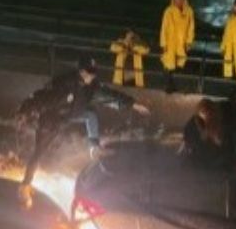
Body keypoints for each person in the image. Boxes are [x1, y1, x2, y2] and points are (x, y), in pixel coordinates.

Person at [20, 57, 148, 193]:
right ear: (81, 72)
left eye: (93, 73)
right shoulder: (64, 83)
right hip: (52, 119)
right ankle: (26, 183)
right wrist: (27, 111)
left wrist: (132, 104)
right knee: (39, 151)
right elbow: (41, 98)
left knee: (91, 115)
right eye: (88, 73)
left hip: (72, 114)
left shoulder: (92, 86)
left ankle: (94, 147)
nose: (91, 76)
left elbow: (110, 95)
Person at [159, 0, 195, 94]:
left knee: (183, 64)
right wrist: (163, 43)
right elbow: (164, 28)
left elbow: (191, 28)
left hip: (182, 43)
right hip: (170, 43)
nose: (178, 0)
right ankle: (168, 86)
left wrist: (189, 42)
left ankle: (184, 87)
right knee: (168, 65)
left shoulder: (189, 11)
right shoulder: (168, 11)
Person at [180, 99, 225, 167]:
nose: (207, 115)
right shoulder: (193, 124)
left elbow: (221, 142)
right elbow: (191, 143)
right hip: (199, 156)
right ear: (199, 113)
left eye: (209, 112)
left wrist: (214, 136)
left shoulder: (218, 121)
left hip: (216, 157)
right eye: (203, 112)